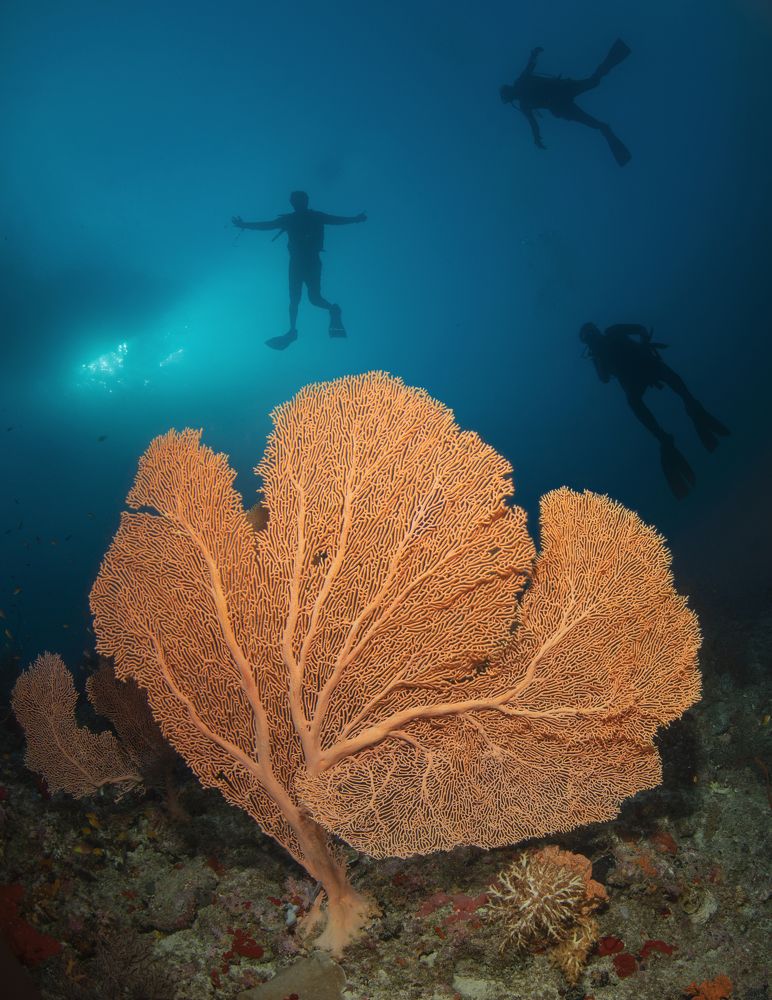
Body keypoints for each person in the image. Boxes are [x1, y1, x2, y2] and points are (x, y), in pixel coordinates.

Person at [579, 323, 729, 498]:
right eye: (589, 337)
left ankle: (678, 420)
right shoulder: (599, 352)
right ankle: (675, 424)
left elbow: (605, 378)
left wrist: (640, 347)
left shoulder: (611, 334)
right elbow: (604, 378)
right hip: (639, 374)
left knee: (641, 398)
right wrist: (598, 359)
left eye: (591, 334)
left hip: (642, 370)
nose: (592, 338)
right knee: (643, 396)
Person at [232, 191, 367, 350]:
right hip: (311, 261)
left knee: (296, 299)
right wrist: (355, 219)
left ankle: (293, 330)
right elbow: (336, 220)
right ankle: (330, 309)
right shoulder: (310, 217)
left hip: (299, 262)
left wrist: (244, 225)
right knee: (313, 299)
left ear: (294, 202)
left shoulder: (291, 219)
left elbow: (267, 225)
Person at [500, 39, 632, 166]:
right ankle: (605, 129)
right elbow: (533, 123)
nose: (513, 95)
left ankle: (605, 129)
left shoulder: (523, 91)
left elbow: (530, 66)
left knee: (593, 84)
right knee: (593, 88)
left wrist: (534, 54)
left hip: (561, 95)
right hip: (561, 100)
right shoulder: (524, 102)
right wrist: (536, 137)